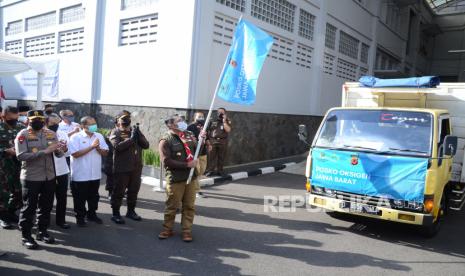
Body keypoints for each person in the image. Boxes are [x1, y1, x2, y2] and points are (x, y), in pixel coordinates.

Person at [15, 110, 65, 249]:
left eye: (40, 119)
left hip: (48, 176)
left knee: (46, 206)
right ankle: (26, 236)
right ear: (28, 121)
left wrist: (60, 150)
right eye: (34, 120)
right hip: (31, 176)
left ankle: (42, 231)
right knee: (29, 207)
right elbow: (21, 156)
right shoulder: (23, 135)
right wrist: (45, 151)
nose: (38, 122)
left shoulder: (51, 134)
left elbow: (58, 154)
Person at [158, 116, 199, 242]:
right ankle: (167, 229)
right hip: (176, 178)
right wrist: (186, 165)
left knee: (189, 206)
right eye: (179, 121)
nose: (182, 123)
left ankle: (186, 231)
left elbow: (197, 150)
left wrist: (202, 140)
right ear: (171, 125)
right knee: (172, 206)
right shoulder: (166, 140)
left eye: (182, 120)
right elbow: (166, 161)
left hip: (191, 177)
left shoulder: (189, 135)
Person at [110, 112, 149, 224]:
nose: (125, 121)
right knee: (119, 192)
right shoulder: (115, 132)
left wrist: (138, 135)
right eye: (123, 119)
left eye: (127, 119)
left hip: (136, 167)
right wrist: (131, 139)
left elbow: (146, 145)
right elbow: (117, 147)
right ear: (118, 121)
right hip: (122, 168)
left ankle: (131, 211)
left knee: (133, 191)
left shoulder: (135, 131)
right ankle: (115, 214)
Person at [69, 116, 108, 227]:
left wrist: (99, 149)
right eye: (91, 124)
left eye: (94, 123)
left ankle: (92, 214)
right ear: (83, 126)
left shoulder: (99, 136)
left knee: (94, 197)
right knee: (79, 198)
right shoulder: (75, 137)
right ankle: (80, 218)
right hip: (80, 175)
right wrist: (91, 147)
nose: (94, 126)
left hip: (95, 174)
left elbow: (105, 152)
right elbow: (75, 154)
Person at [0, 106, 24, 229]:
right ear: (4, 117)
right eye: (11, 118)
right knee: (3, 193)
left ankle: (11, 212)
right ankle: (3, 216)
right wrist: (5, 151)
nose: (14, 121)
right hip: (3, 167)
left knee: (19, 192)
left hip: (19, 165)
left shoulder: (21, 128)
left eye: (16, 118)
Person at [47, 113, 71, 229]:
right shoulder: (42, 134)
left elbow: (68, 152)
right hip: (47, 171)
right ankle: (44, 221)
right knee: (47, 198)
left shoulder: (63, 134)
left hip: (62, 171)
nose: (55, 126)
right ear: (46, 123)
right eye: (52, 123)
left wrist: (65, 149)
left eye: (57, 124)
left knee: (62, 197)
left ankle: (61, 221)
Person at [187, 112, 210, 197]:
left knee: (202, 170)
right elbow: (188, 139)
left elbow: (207, 137)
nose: (201, 118)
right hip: (195, 152)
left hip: (203, 152)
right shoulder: (190, 127)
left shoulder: (204, 126)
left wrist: (209, 144)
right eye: (199, 116)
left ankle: (193, 185)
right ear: (194, 117)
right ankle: (197, 191)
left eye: (202, 116)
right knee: (196, 171)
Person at [206, 108, 232, 177]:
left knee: (221, 156)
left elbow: (228, 130)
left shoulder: (227, 120)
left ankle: (220, 171)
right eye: (219, 112)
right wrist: (208, 140)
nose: (220, 114)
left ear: (225, 113)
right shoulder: (212, 120)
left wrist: (224, 121)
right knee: (211, 156)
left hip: (223, 141)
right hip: (213, 140)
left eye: (222, 113)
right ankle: (210, 170)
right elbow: (207, 130)